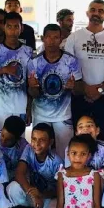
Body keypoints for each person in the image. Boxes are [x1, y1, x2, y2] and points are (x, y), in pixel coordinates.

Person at [64, 0, 104, 141]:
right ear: (87, 13)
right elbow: (69, 66)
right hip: (79, 95)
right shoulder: (74, 37)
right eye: (93, 10)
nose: (96, 13)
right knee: (80, 138)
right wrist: (85, 89)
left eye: (101, 11)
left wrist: (100, 90)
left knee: (102, 136)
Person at [27, 24, 83, 156]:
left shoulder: (71, 61)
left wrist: (73, 86)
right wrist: (33, 87)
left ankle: (64, 176)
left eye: (56, 37)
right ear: (43, 38)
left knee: (66, 153)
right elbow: (33, 94)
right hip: (41, 114)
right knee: (39, 151)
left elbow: (80, 89)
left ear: (61, 39)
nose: (52, 41)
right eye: (48, 37)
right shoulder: (34, 62)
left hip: (63, 115)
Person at [0, 11, 33, 133]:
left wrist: (29, 108)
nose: (13, 30)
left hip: (21, 106)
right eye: (9, 26)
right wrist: (3, 70)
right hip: (1, 106)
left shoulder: (28, 51)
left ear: (21, 28)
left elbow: (30, 83)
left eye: (16, 26)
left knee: (19, 142)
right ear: (4, 28)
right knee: (2, 140)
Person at [7, 123, 63, 208]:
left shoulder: (56, 161)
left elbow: (60, 191)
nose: (36, 143)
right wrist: (33, 194)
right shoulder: (29, 149)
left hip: (48, 197)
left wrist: (41, 195)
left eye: (42, 140)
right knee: (12, 187)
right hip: (33, 194)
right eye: (34, 139)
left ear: (50, 142)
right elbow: (19, 173)